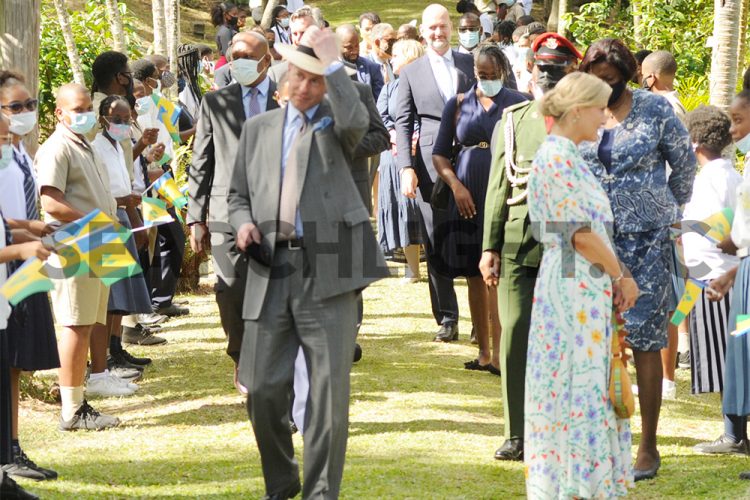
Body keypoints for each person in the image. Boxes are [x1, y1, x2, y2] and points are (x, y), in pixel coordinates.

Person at [228, 26, 388, 499]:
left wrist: (333, 65)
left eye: (315, 80)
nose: (304, 87)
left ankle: (321, 493)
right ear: (281, 78)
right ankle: (282, 483)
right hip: (270, 269)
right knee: (260, 388)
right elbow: (237, 195)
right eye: (298, 77)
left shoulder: (339, 124)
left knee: (328, 399)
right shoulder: (257, 130)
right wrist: (241, 224)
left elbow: (360, 125)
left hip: (331, 271)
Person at [579, 38, 696, 481]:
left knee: (647, 338)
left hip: (646, 242)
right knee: (595, 338)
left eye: (609, 83)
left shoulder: (655, 109)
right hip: (592, 242)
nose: (602, 90)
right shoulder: (582, 108)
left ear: (626, 78)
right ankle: (603, 439)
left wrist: (667, 211)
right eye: (595, 81)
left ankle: (648, 446)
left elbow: (683, 166)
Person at [525, 71, 638, 499]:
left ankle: (586, 484)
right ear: (576, 112)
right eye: (599, 107)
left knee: (589, 383)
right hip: (571, 286)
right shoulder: (556, 158)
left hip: (583, 286)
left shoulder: (570, 156)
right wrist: (621, 275)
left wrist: (612, 277)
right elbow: (581, 234)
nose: (606, 116)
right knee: (575, 383)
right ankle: (572, 485)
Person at [480, 32, 581, 462]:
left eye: (555, 70)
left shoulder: (586, 119)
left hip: (569, 245)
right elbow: (499, 186)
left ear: (571, 72)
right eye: (541, 69)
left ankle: (558, 424)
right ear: (530, 70)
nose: (547, 76)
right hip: (519, 244)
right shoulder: (514, 119)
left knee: (564, 337)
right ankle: (516, 431)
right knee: (515, 334)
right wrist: (489, 247)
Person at [188, 30, 278, 395]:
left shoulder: (285, 99)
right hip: (227, 210)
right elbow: (201, 161)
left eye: (247, 56)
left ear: (266, 60)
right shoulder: (216, 102)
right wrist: (196, 217)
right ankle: (240, 352)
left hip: (276, 209)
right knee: (230, 289)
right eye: (233, 54)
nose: (238, 61)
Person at [433, 43, 527, 374]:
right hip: (467, 196)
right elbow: (440, 153)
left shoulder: (519, 103)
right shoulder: (458, 104)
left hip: (505, 193)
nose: (485, 80)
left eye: (491, 75)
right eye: (480, 74)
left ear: (503, 72)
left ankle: (503, 352)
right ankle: (484, 350)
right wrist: (456, 186)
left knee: (499, 273)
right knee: (474, 274)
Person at [34, 83, 120, 431]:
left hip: (98, 240)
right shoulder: (56, 148)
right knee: (74, 324)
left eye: (88, 108)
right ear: (60, 113)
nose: (85, 115)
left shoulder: (84, 144)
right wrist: (94, 221)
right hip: (75, 244)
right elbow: (51, 202)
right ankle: (72, 408)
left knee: (90, 322)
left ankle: (83, 395)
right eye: (78, 109)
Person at [395, 3, 476, 343]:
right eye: (431, 28)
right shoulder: (411, 73)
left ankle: (483, 322)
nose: (438, 33)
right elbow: (403, 121)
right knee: (437, 238)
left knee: (475, 238)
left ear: (451, 27)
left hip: (473, 158)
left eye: (443, 26)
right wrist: (406, 168)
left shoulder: (471, 64)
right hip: (429, 165)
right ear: (423, 32)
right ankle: (447, 318)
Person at [0, 73, 59, 482]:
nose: (24, 114)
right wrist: (25, 238)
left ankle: (12, 446)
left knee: (16, 362)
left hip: (22, 265)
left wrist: (36, 231)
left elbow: (9, 222)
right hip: (10, 266)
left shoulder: (18, 153)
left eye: (29, 105)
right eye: (14, 107)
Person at [694, 91, 750, 460]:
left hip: (733, 268)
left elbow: (725, 225)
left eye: (739, 120)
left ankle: (734, 434)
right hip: (740, 271)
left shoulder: (719, 175)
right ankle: (735, 433)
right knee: (739, 349)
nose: (733, 129)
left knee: (742, 345)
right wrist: (734, 274)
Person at [88, 95, 154, 397]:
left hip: (124, 219)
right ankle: (102, 363)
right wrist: (123, 204)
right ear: (103, 118)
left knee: (121, 296)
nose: (124, 124)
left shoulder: (120, 146)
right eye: (117, 119)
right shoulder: (96, 148)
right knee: (109, 298)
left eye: (128, 119)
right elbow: (100, 194)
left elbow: (126, 184)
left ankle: (115, 350)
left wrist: (134, 216)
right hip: (106, 223)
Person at [680, 106, 740, 401]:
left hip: (714, 275)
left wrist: (682, 226)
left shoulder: (711, 178)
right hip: (721, 272)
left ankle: (733, 430)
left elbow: (722, 224)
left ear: (695, 143)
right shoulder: (729, 174)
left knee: (724, 360)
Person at [641, 49, 689, 400]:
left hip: (663, 215)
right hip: (665, 213)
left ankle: (667, 379)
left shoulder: (664, 109)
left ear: (651, 76)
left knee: (668, 299)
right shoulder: (677, 104)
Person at [131, 58, 189, 320]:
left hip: (161, 179)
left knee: (168, 238)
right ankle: (148, 305)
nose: (163, 77)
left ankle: (159, 300)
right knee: (152, 241)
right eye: (158, 74)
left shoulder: (155, 107)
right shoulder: (130, 114)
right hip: (145, 188)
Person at [377, 40, 425, 283]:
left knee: (420, 209)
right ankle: (412, 268)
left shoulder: (426, 85)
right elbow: (381, 118)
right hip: (394, 155)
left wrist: (416, 138)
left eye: (396, 55)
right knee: (401, 208)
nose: (391, 59)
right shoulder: (389, 88)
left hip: (422, 153)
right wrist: (396, 137)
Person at [336, 24, 384, 101]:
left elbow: (380, 103)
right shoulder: (327, 70)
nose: (354, 51)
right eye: (349, 47)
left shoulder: (372, 68)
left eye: (356, 46)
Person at [211, 1, 239, 70]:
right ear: (225, 15)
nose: (236, 17)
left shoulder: (229, 29)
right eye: (234, 14)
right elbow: (228, 53)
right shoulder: (225, 31)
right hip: (225, 66)